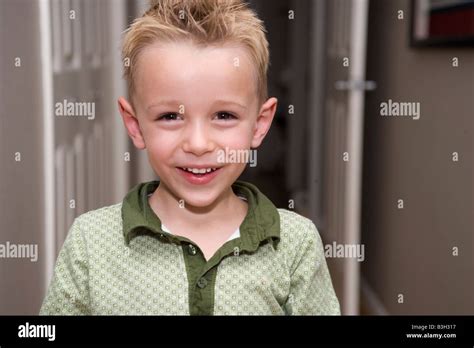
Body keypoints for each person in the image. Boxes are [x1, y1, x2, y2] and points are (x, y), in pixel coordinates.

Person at [40, 0, 340, 315]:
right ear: (135, 125)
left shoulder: (296, 243)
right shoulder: (91, 242)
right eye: (170, 116)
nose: (198, 144)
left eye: (224, 115)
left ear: (260, 124)